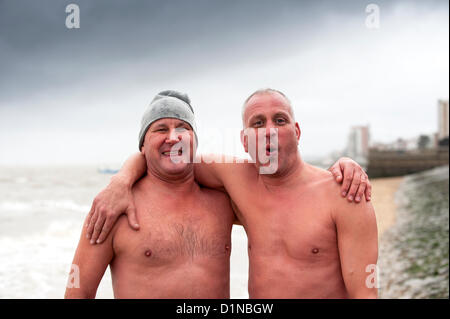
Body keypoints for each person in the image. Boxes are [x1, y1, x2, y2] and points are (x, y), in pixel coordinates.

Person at [85, 89, 377, 298]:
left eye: (280, 120)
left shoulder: (343, 194)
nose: (269, 132)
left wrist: (348, 164)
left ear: (297, 131)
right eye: (257, 123)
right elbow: (166, 157)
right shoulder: (236, 179)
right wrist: (120, 182)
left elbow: (364, 292)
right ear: (244, 139)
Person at [65, 91, 235, 298]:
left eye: (183, 128)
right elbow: (77, 292)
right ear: (142, 147)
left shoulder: (223, 204)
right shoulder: (111, 209)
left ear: (195, 141)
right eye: (161, 129)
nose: (173, 138)